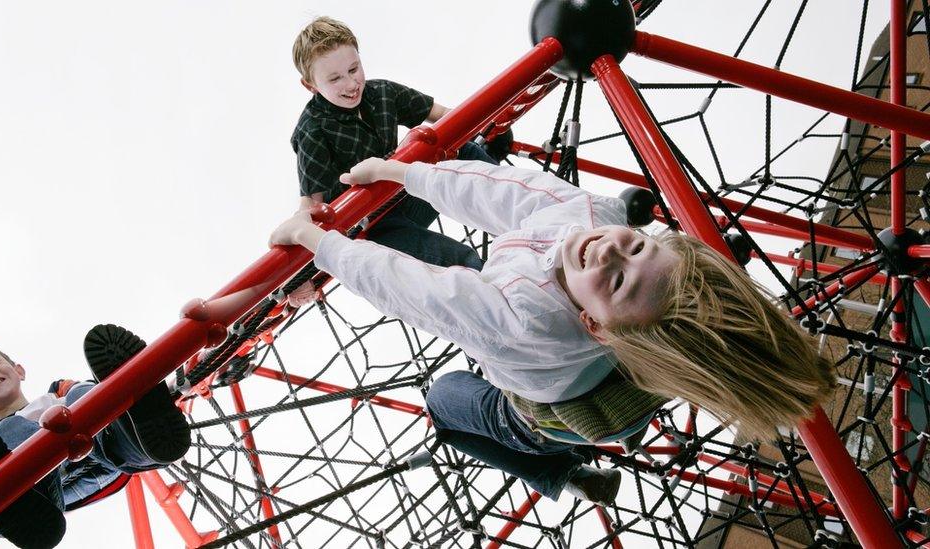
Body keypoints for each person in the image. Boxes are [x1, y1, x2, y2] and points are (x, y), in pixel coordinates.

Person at [268, 158, 836, 506]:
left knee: (444, 397)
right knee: (477, 303)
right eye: (636, 247)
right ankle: (620, 417)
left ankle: (561, 471)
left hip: (556, 417)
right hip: (607, 371)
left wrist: (317, 242)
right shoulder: (600, 216)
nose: (613, 250)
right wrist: (402, 175)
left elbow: (416, 293)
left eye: (616, 282)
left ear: (596, 324)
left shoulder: (520, 320)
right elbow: (504, 192)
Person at [288, 16, 495, 306]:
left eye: (353, 69)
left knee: (466, 152)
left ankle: (524, 227)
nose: (350, 84)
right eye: (335, 79)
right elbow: (311, 205)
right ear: (310, 85)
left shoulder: (381, 92)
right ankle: (501, 332)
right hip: (376, 227)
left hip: (408, 193)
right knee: (462, 262)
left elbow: (447, 116)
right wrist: (298, 275)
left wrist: (490, 122)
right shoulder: (313, 130)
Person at [0, 325, 190, 549]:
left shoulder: (59, 392)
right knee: (6, 433)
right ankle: (18, 507)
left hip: (103, 453)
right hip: (48, 491)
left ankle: (140, 431)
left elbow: (86, 393)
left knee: (82, 393)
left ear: (19, 370)